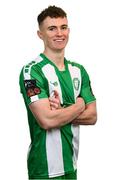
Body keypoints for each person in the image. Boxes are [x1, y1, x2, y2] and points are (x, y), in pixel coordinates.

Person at [19, 5, 97, 180]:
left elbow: (92, 116)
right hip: (43, 169)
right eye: (52, 28)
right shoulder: (31, 72)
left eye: (63, 27)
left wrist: (61, 110)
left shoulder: (79, 71)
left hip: (71, 165)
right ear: (40, 34)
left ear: (69, 30)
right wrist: (79, 104)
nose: (59, 33)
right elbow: (46, 120)